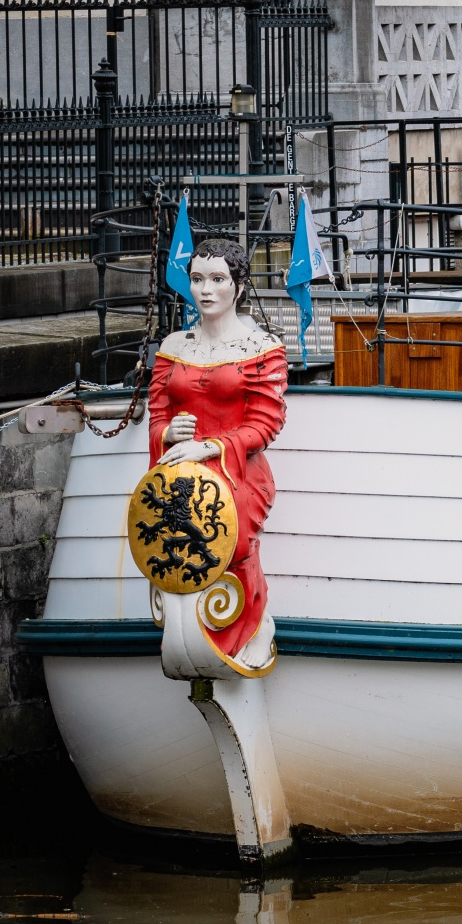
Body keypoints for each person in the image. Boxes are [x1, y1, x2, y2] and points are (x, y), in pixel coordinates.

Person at [149, 238, 287, 674]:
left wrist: (209, 446)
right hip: (180, 471)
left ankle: (255, 625)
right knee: (172, 542)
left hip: (238, 472)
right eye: (197, 279)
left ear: (238, 287)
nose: (205, 290)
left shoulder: (261, 347)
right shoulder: (174, 345)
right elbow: (158, 412)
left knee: (234, 538)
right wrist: (168, 433)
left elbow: (266, 424)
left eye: (217, 279)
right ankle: (193, 629)